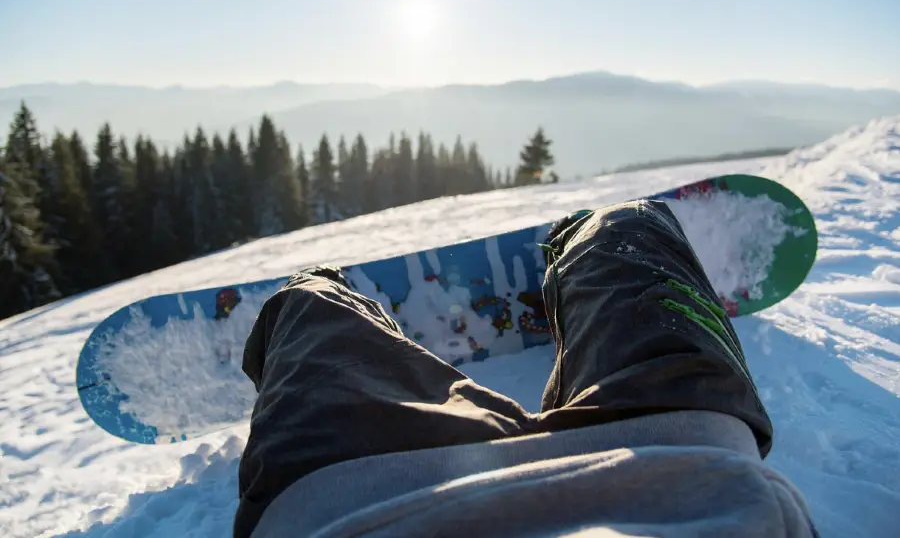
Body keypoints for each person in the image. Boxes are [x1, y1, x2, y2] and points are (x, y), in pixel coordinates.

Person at [233, 199, 819, 538]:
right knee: (631, 226)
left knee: (310, 311)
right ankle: (585, 245)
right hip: (685, 462)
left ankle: (316, 294)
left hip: (346, 497)